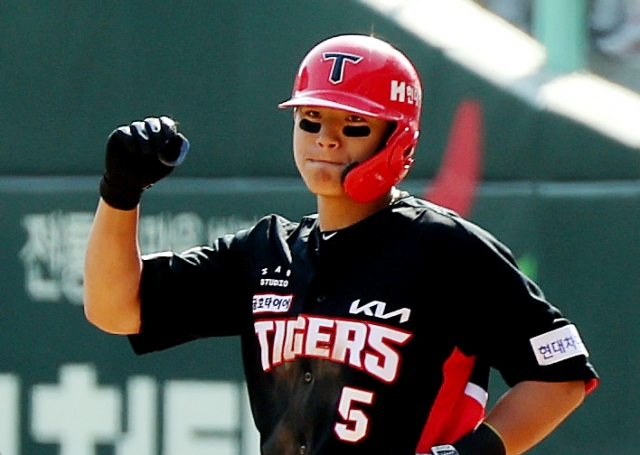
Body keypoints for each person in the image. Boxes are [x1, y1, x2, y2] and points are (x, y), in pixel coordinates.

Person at [84, 34, 599, 455]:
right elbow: (115, 308)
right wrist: (121, 193)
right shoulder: (265, 252)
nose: (326, 139)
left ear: (399, 138)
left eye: (354, 125)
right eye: (311, 120)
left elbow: (561, 373)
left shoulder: (443, 248)